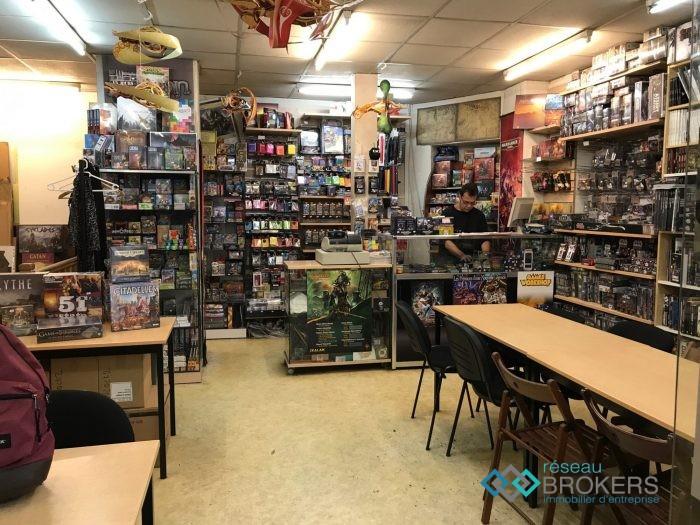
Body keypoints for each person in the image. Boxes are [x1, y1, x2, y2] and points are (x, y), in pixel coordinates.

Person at [442, 183, 491, 262]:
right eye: (466, 202)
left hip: (474, 259)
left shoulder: (479, 215)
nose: (469, 206)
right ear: (460, 197)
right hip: (451, 259)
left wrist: (484, 255)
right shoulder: (447, 213)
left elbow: (485, 239)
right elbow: (446, 241)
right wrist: (462, 255)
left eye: (472, 203)